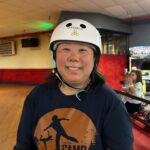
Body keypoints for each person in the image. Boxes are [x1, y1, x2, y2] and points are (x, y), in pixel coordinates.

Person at [14, 18, 133, 150]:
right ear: (55, 56)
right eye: (65, 49)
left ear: (95, 59)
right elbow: (23, 146)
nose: (74, 57)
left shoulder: (109, 101)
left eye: (82, 50)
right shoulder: (37, 96)